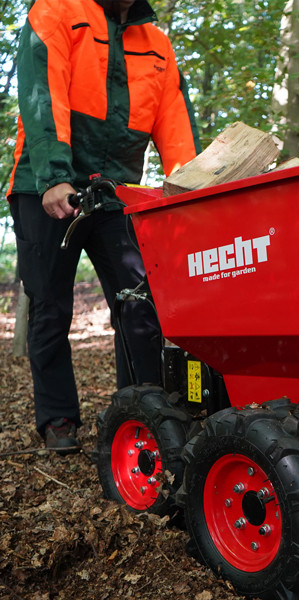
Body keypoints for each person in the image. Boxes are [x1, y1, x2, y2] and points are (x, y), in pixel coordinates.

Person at [7, 0, 201, 454]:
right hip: (45, 186)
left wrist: (191, 191)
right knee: (50, 307)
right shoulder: (56, 9)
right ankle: (57, 420)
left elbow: (175, 125)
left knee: (138, 304)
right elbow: (42, 92)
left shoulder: (156, 43)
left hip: (117, 192)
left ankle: (144, 412)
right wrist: (55, 175)